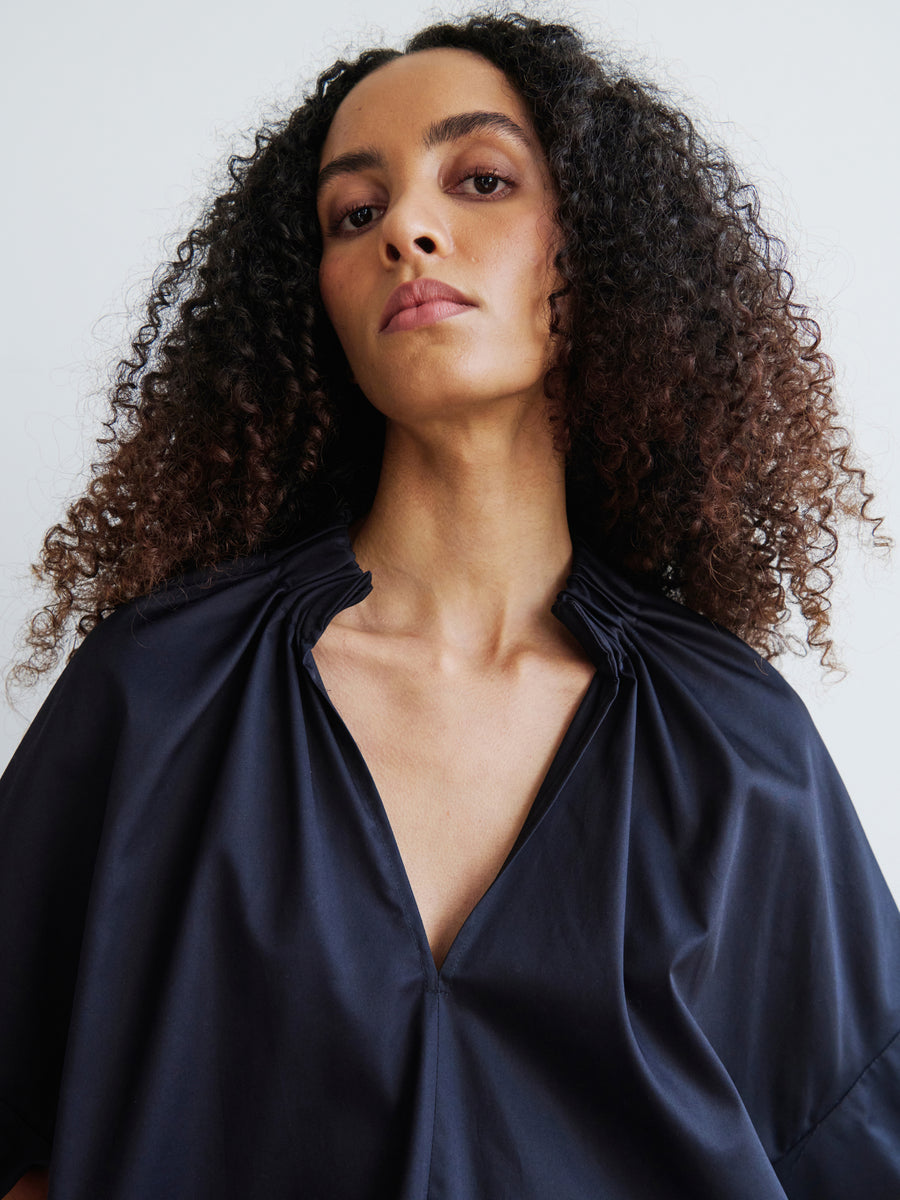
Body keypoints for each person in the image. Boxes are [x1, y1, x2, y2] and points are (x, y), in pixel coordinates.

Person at [1, 10, 898, 1199]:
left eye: (478, 180)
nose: (410, 233)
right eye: (354, 214)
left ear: (592, 251)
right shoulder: (160, 695)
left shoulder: (735, 748)